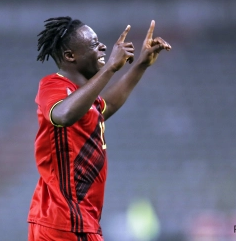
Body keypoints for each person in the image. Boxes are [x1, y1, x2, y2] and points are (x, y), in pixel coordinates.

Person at [27, 16, 171, 241]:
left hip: (75, 221)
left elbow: (107, 105)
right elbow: (63, 115)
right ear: (70, 56)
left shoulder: (85, 97)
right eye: (94, 44)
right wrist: (111, 67)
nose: (103, 46)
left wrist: (141, 65)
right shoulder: (53, 85)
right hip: (65, 222)